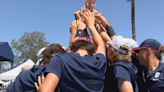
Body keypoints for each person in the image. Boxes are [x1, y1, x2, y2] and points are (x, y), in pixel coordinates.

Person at [40, 10, 107, 92]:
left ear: (72, 47)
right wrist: (91, 26)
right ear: (92, 49)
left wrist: (76, 31)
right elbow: (100, 45)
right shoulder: (100, 62)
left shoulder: (60, 60)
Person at [94, 12, 139, 92]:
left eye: (109, 46)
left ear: (112, 52)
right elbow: (111, 40)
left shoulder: (119, 68)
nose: (106, 46)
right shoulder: (128, 64)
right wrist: (97, 24)